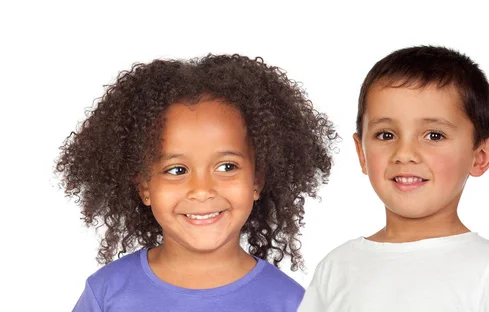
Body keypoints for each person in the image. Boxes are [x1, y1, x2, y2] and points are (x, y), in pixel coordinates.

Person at [56, 54, 337, 311]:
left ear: (257, 181)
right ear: (144, 186)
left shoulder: (291, 303)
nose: (202, 190)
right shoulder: (107, 293)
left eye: (227, 166)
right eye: (177, 170)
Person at [298, 46, 489, 312]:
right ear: (361, 153)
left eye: (434, 135)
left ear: (480, 155)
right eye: (386, 135)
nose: (404, 154)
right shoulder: (336, 267)